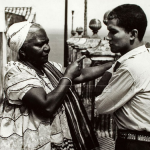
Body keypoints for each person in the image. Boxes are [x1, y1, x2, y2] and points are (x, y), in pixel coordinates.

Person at [0, 21, 112, 150]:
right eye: (39, 44)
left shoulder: (47, 67)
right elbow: (47, 106)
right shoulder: (16, 73)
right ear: (23, 51)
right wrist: (68, 76)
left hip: (53, 138)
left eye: (46, 42)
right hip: (32, 142)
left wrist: (112, 64)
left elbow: (81, 75)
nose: (47, 47)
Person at [95, 4, 150, 150]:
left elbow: (100, 105)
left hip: (135, 143)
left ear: (132, 34)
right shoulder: (144, 58)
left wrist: (112, 68)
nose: (108, 37)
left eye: (113, 32)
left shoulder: (130, 67)